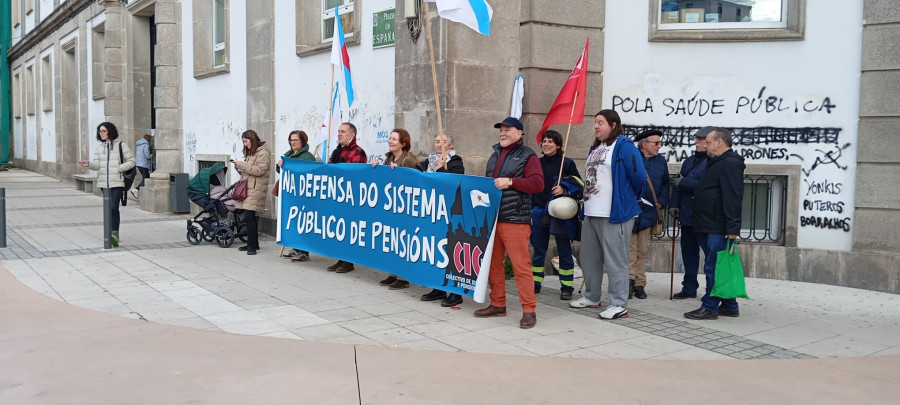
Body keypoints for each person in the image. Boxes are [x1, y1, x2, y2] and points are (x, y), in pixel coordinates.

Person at [570, 110, 645, 320]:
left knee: (616, 261)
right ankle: (592, 296)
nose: (596, 126)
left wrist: (626, 199)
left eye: (600, 123)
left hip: (615, 214)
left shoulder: (624, 146)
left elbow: (639, 177)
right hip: (592, 212)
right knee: (589, 258)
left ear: (613, 125)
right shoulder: (595, 148)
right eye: (595, 122)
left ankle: (619, 304)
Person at [474, 117, 544, 329]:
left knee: (521, 266)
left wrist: (511, 182)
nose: (502, 133)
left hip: (515, 219)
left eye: (507, 129)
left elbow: (538, 183)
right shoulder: (495, 155)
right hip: (494, 219)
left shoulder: (528, 155)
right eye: (501, 130)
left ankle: (529, 310)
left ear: (519, 132)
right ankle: (497, 303)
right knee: (494, 265)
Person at [684, 128, 745, 320]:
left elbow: (733, 196)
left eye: (708, 142)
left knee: (714, 267)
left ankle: (710, 307)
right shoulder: (716, 162)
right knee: (717, 266)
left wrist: (733, 227)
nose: (705, 146)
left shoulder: (730, 163)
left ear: (719, 143)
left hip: (717, 226)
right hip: (707, 223)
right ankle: (729, 305)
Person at [530, 130, 582, 301]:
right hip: (539, 211)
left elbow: (580, 186)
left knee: (564, 249)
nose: (546, 144)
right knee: (539, 249)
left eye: (551, 141)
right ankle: (536, 282)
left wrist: (564, 189)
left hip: (560, 213)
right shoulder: (535, 163)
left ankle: (567, 286)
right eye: (544, 141)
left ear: (558, 145)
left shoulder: (566, 163)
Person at [417, 134, 466, 307]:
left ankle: (455, 292)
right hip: (430, 212)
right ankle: (437, 287)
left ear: (451, 145)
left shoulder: (455, 162)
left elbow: (454, 182)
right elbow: (415, 173)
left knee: (450, 251)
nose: (439, 144)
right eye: (437, 141)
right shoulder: (428, 160)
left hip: (449, 213)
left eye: (443, 142)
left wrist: (441, 168)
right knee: (434, 250)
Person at [372, 128, 420, 289]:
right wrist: (377, 169)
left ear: (403, 143)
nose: (390, 141)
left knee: (403, 241)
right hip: (391, 207)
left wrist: (398, 173)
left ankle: (403, 277)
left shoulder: (409, 160)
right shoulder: (389, 158)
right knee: (392, 240)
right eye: (390, 138)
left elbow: (416, 181)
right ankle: (393, 272)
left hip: (405, 208)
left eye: (394, 139)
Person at [77, 122, 135, 247]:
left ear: (110, 131)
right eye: (100, 131)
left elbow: (131, 161)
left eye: (103, 131)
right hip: (104, 183)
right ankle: (110, 232)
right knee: (108, 208)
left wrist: (119, 168)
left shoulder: (121, 145)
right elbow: (97, 165)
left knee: (114, 207)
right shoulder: (99, 148)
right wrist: (88, 164)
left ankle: (114, 233)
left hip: (117, 182)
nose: (101, 133)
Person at [628, 129, 670, 300]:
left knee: (642, 250)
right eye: (656, 143)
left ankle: (639, 284)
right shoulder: (632, 157)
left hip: (649, 212)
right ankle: (628, 281)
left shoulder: (661, 161)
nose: (659, 146)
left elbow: (666, 183)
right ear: (645, 144)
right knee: (629, 250)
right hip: (631, 211)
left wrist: (661, 201)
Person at [671, 127, 713, 299]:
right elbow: (677, 187)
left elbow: (705, 186)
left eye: (702, 139)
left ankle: (713, 291)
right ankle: (689, 287)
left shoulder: (714, 162)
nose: (698, 142)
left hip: (704, 216)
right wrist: (674, 205)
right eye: (697, 138)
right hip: (687, 214)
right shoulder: (688, 161)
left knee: (710, 256)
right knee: (689, 254)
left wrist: (684, 183)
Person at [326, 122, 367, 273]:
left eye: (342, 131)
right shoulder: (337, 152)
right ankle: (340, 258)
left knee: (349, 229)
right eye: (338, 131)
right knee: (339, 228)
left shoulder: (358, 152)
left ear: (352, 135)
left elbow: (355, 174)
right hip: (336, 196)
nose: (339, 134)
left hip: (350, 197)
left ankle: (349, 261)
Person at [278, 130, 316, 262]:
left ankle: (304, 251)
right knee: (293, 221)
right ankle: (295, 247)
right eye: (291, 140)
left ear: (302, 141)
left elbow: (311, 172)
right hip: (291, 195)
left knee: (303, 223)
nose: (292, 142)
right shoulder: (288, 155)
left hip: (303, 195)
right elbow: (282, 172)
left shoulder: (307, 156)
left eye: (295, 140)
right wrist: (281, 165)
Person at [232, 130, 271, 256]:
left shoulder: (263, 153)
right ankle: (253, 243)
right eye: (243, 141)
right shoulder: (251, 153)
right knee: (249, 217)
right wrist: (239, 167)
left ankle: (251, 247)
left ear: (252, 139)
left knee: (249, 216)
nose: (245, 144)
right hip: (248, 188)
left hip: (255, 189)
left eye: (246, 141)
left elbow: (260, 170)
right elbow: (248, 171)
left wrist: (243, 165)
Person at [131, 134, 152, 199]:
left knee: (145, 178)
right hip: (144, 164)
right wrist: (152, 155)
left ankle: (136, 190)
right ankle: (136, 190)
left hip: (139, 164)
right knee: (146, 179)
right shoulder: (146, 145)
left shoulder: (139, 144)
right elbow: (147, 155)